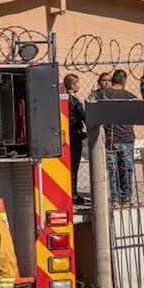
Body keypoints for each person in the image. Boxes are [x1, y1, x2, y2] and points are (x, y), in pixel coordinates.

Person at [100, 69, 137, 204]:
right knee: (126, 168)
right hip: (127, 136)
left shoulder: (103, 95)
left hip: (110, 137)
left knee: (112, 169)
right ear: (124, 81)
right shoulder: (131, 97)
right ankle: (126, 197)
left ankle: (114, 198)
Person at [62, 74, 88, 205]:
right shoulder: (74, 101)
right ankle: (73, 194)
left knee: (68, 166)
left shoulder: (63, 99)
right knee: (74, 166)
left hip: (67, 135)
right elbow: (84, 117)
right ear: (72, 85)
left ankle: (68, 192)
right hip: (74, 137)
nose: (79, 85)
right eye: (77, 83)